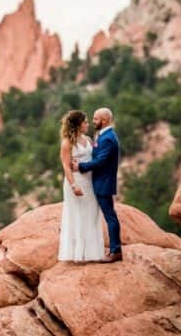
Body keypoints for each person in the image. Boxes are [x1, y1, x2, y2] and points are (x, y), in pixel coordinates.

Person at [75, 107, 122, 262]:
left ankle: (116, 251)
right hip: (100, 181)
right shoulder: (103, 135)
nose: (93, 121)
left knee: (110, 216)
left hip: (104, 183)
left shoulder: (108, 138)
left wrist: (81, 167)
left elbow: (101, 161)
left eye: (95, 119)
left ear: (105, 120)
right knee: (109, 215)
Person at [57, 110, 104, 261]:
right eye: (85, 122)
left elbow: (95, 159)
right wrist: (74, 185)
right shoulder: (67, 143)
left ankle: (92, 253)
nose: (88, 124)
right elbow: (66, 166)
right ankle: (77, 253)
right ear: (78, 125)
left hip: (90, 183)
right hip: (76, 182)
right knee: (76, 214)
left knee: (91, 214)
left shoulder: (89, 140)